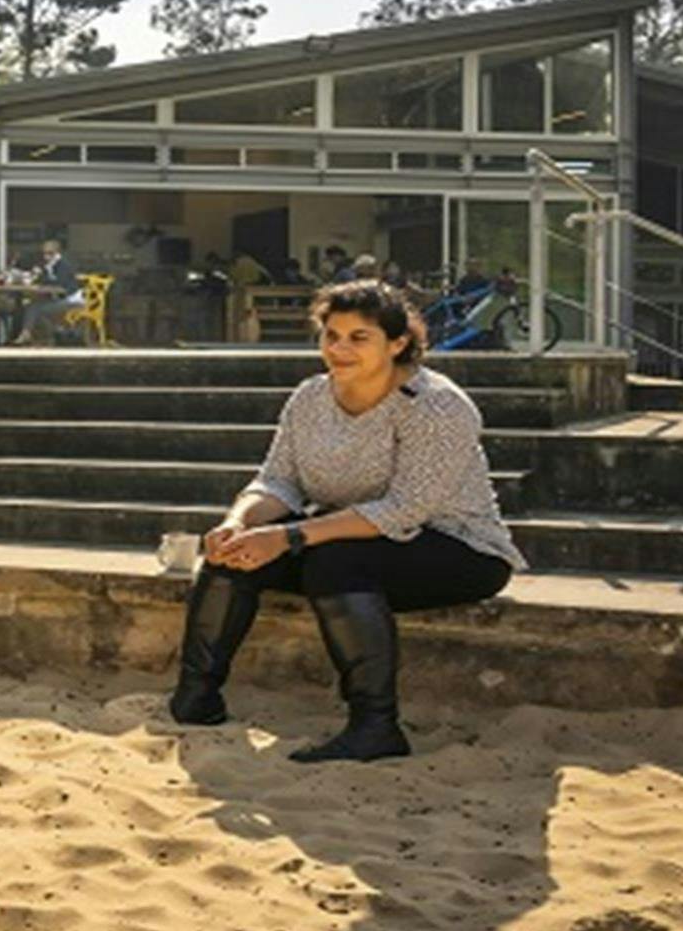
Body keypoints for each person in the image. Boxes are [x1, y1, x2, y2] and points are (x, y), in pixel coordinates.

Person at [165, 280, 522, 762]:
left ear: (397, 344)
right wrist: (239, 522)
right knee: (231, 554)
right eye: (331, 335)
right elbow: (278, 480)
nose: (339, 349)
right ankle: (196, 699)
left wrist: (288, 535)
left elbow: (404, 510)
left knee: (333, 564)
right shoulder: (311, 397)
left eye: (359, 338)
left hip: (456, 547)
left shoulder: (438, 406)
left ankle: (376, 728)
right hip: (342, 537)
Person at [16, 237, 84, 345]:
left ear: (57, 252)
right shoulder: (47, 265)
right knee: (32, 306)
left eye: (50, 253)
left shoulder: (64, 265)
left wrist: (43, 281)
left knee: (37, 309)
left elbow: (60, 284)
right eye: (44, 253)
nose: (46, 256)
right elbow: (40, 278)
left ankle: (39, 335)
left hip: (71, 300)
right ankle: (34, 335)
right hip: (58, 298)